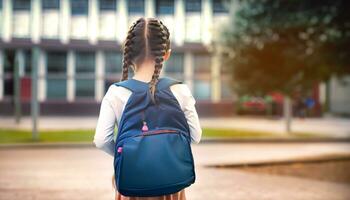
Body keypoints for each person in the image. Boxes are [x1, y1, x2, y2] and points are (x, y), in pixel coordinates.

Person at [93, 17, 202, 200]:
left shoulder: (116, 93)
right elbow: (195, 136)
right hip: (171, 183)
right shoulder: (180, 90)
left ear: (128, 54)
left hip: (132, 181)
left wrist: (128, 154)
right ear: (166, 54)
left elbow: (101, 140)